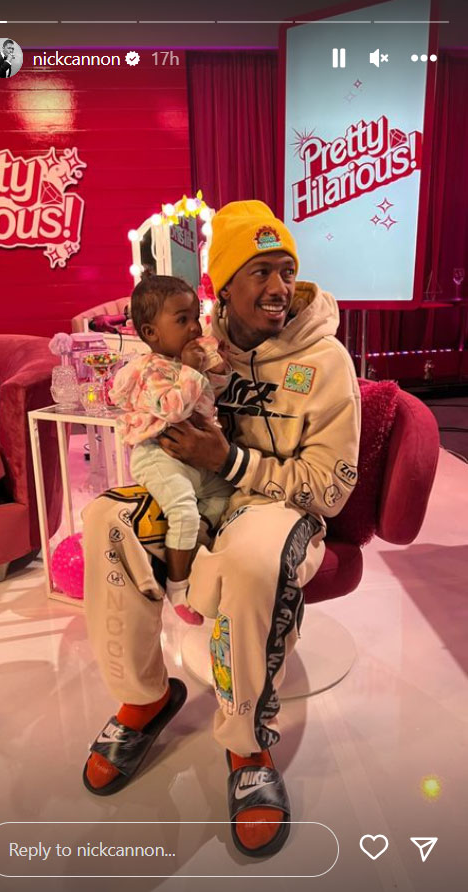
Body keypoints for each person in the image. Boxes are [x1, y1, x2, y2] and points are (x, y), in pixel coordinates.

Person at [82, 200, 361, 859]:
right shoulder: (199, 345)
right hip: (203, 497)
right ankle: (144, 699)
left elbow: (331, 487)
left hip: (276, 508)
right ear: (224, 287)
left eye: (286, 270)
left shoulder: (325, 362)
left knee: (251, 560)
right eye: (260, 272)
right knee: (106, 520)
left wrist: (230, 460)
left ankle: (247, 744)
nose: (278, 287)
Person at [109, 274, 234, 624]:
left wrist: (218, 368)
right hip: (157, 454)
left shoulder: (182, 363)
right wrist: (191, 370)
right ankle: (177, 588)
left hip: (191, 455)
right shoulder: (148, 370)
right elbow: (173, 409)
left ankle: (191, 540)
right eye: (182, 320)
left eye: (195, 316)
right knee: (183, 511)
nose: (194, 327)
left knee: (225, 492)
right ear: (151, 333)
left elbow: (209, 396)